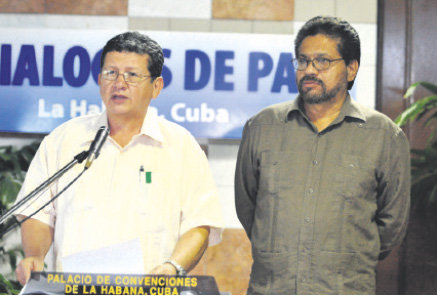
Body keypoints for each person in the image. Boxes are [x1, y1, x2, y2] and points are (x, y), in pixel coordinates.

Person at [14, 31, 223, 285]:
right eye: (111, 73)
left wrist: (172, 267)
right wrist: (34, 256)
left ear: (156, 86)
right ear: (100, 79)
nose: (119, 83)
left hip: (150, 290)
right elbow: (39, 211)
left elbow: (199, 222)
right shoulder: (64, 140)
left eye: (132, 75)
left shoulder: (181, 146)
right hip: (74, 290)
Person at [235, 16, 410, 294]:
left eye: (323, 61)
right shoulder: (261, 127)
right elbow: (248, 209)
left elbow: (391, 228)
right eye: (302, 61)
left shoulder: (383, 135)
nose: (309, 70)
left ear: (351, 69)